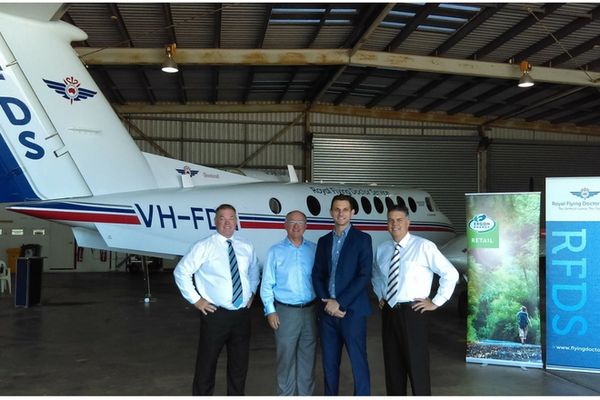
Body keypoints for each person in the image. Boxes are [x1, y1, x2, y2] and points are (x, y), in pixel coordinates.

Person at [173, 204, 260, 395]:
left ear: (236, 221)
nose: (227, 223)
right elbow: (181, 272)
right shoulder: (204, 246)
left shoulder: (246, 245)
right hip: (215, 316)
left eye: (231, 218)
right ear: (215, 221)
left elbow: (254, 270)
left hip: (241, 316)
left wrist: (252, 292)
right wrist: (197, 300)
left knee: (239, 366)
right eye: (222, 218)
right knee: (207, 364)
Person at [372, 204, 458, 396]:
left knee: (417, 368)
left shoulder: (423, 246)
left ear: (408, 222)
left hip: (413, 313)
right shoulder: (383, 249)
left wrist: (436, 301)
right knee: (393, 369)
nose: (395, 224)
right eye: (390, 220)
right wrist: (380, 294)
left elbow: (450, 273)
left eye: (399, 220)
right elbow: (376, 274)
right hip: (389, 313)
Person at [312, 194, 373, 395]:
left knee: (358, 363)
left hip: (352, 312)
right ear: (331, 212)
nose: (341, 213)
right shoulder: (323, 241)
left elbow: (364, 275)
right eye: (337, 209)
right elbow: (317, 274)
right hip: (327, 313)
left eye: (345, 209)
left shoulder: (363, 239)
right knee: (329, 364)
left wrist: (340, 302)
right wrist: (327, 301)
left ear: (352, 212)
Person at [260, 210, 318, 396]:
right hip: (286, 312)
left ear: (306, 226)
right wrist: (270, 310)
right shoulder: (275, 251)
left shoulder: (314, 249)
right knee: (286, 359)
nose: (296, 226)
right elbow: (267, 284)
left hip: (310, 311)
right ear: (285, 225)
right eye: (292, 222)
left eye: (300, 222)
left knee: (308, 358)